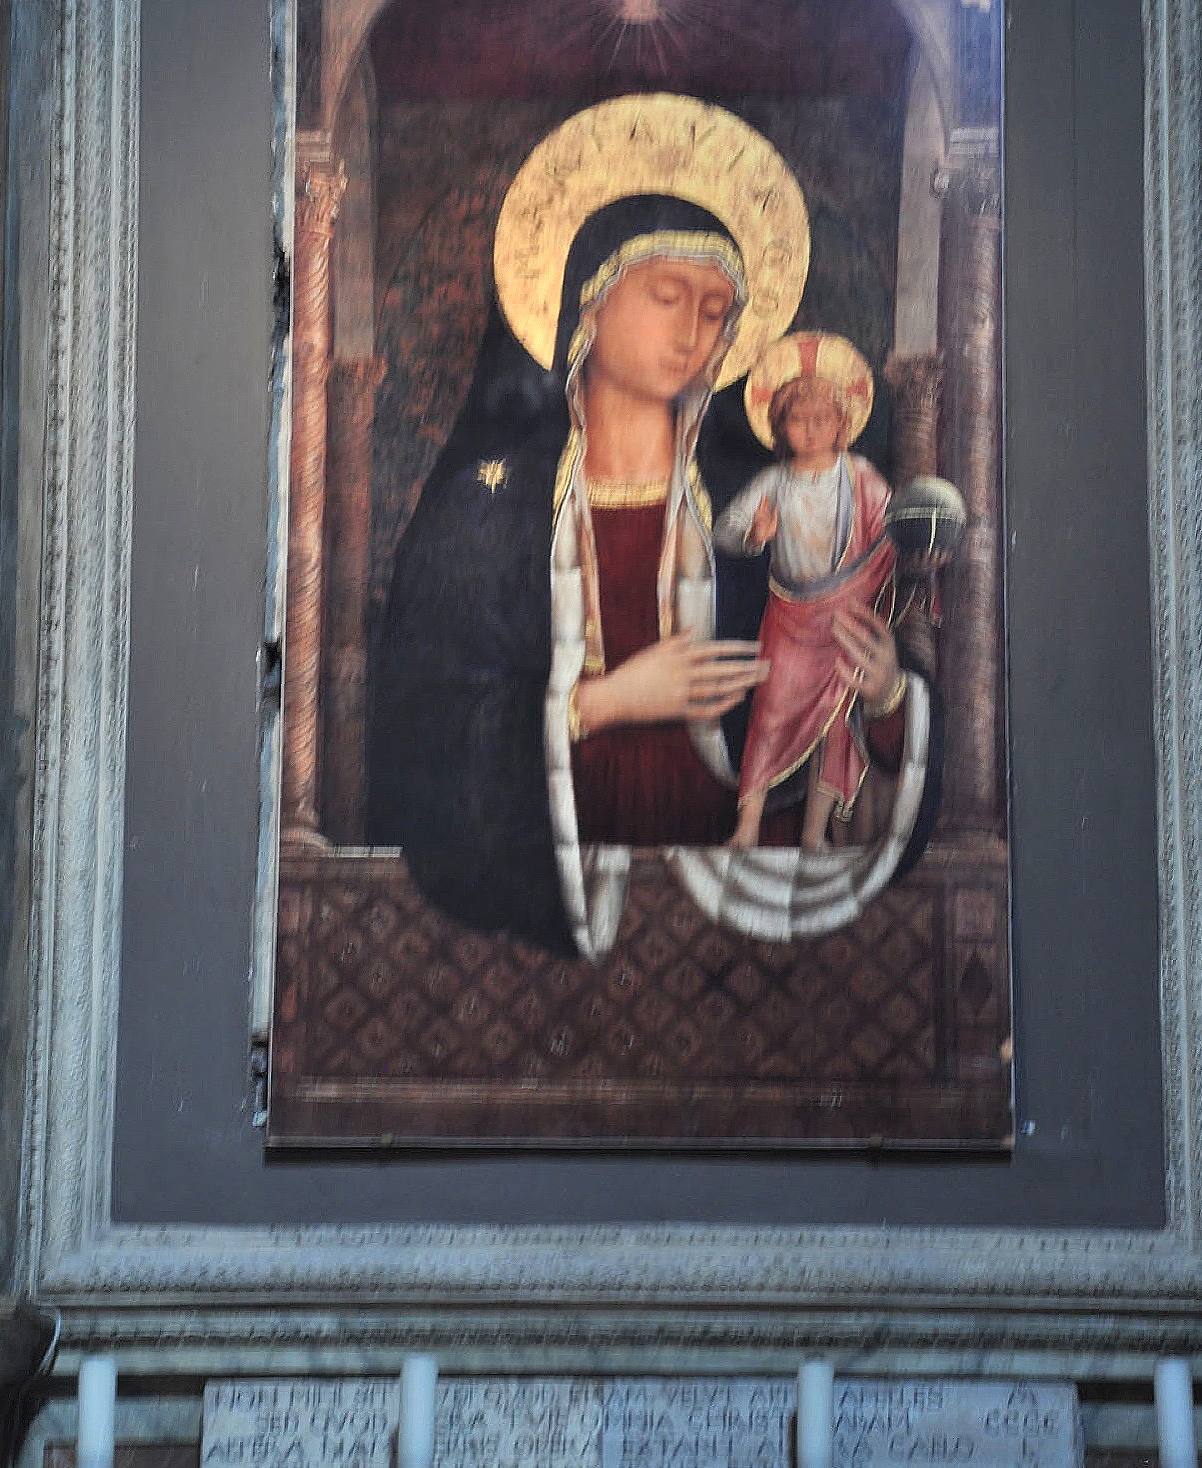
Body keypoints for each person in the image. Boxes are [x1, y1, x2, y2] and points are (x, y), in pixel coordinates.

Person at [369, 96, 937, 958]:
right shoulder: (491, 502)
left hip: (733, 898)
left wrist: (887, 697)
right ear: (590, 304)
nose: (694, 331)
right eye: (667, 295)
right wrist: (599, 703)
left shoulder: (758, 507)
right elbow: (420, 731)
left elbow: (830, 703)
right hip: (544, 889)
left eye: (715, 310)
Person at [714, 333, 905, 852]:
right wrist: (755, 535)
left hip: (845, 618)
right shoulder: (773, 482)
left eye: (823, 418)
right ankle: (747, 827)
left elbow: (892, 533)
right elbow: (724, 531)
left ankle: (814, 833)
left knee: (837, 724)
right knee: (769, 717)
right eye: (798, 419)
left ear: (843, 424)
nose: (812, 428)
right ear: (780, 427)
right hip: (789, 620)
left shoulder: (861, 476)